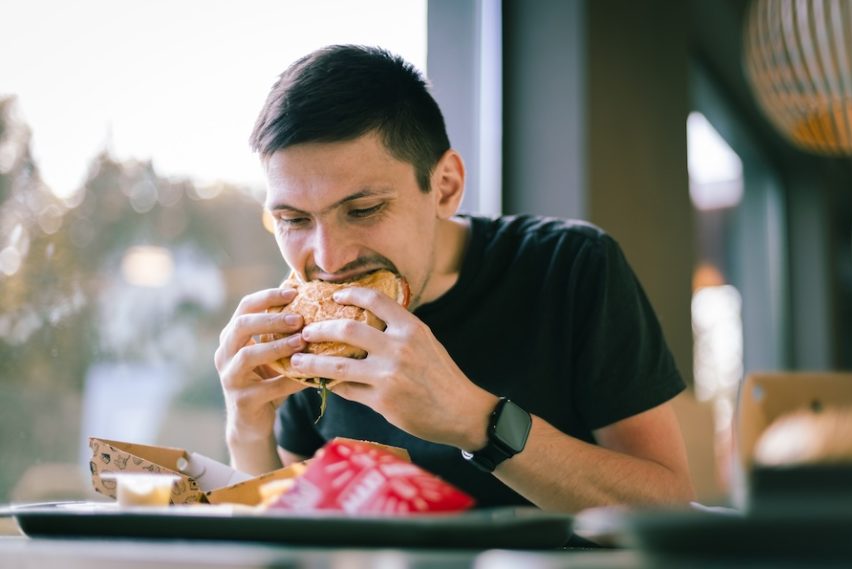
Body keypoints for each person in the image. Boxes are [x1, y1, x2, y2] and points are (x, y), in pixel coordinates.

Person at [214, 44, 694, 513]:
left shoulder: (570, 266)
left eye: (363, 210)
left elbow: (667, 506)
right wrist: (248, 428)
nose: (329, 259)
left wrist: (476, 421)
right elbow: (293, 531)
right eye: (294, 220)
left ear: (445, 187)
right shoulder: (300, 334)